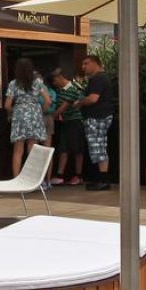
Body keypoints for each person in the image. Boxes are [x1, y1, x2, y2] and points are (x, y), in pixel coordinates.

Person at [3, 58, 52, 176]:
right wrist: (41, 111)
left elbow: (7, 105)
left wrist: (12, 112)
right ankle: (32, 179)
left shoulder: (13, 84)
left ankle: (16, 179)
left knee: (18, 150)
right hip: (34, 113)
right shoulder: (38, 82)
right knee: (32, 148)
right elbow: (48, 101)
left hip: (19, 114)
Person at [76, 54, 116, 191]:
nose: (83, 67)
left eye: (86, 63)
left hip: (97, 117)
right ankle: (102, 179)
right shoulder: (101, 78)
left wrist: (79, 103)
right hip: (101, 116)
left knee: (98, 146)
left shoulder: (98, 79)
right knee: (99, 146)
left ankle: (103, 180)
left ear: (95, 63)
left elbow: (93, 99)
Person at [48, 67, 88, 186]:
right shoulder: (61, 90)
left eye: (54, 81)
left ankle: (78, 175)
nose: (54, 84)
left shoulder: (72, 88)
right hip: (66, 122)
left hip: (75, 122)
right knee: (64, 148)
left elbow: (63, 107)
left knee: (77, 149)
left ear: (60, 78)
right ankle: (60, 175)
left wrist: (52, 116)